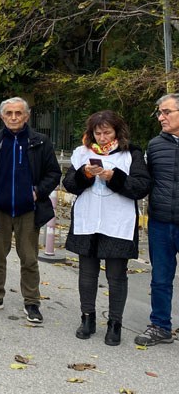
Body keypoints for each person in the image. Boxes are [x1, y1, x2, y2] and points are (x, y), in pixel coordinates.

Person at [64, 110, 149, 345]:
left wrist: (115, 177)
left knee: (116, 275)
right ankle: (87, 318)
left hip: (117, 222)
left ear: (117, 132)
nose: (101, 138)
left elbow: (142, 187)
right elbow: (69, 184)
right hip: (88, 219)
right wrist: (85, 174)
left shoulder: (131, 153)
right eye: (97, 133)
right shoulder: (82, 153)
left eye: (107, 132)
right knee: (87, 273)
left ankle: (115, 324)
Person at [0, 97, 61, 323]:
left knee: (29, 259)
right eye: (9, 113)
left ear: (27, 116)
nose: (14, 117)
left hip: (29, 210)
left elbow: (53, 173)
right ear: (2, 117)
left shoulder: (40, 142)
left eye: (18, 113)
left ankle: (32, 302)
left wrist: (37, 192)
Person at [135, 93, 179, 346]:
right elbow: (144, 181)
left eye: (167, 112)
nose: (161, 117)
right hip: (161, 222)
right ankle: (160, 325)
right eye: (160, 113)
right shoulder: (155, 145)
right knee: (161, 278)